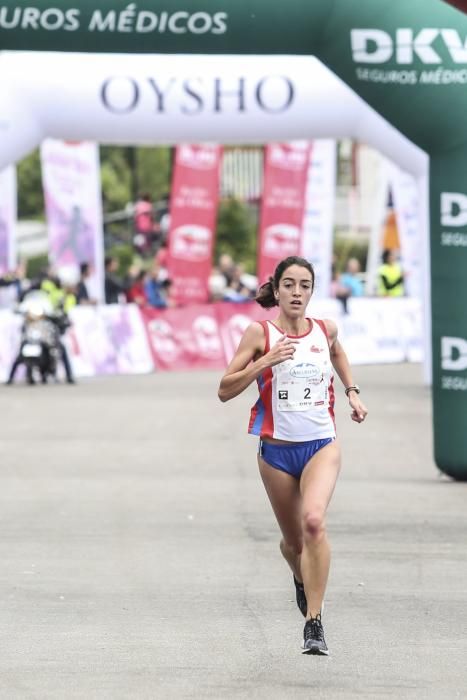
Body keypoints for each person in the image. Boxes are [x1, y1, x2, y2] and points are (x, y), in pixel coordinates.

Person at [218, 256, 368, 655]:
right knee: (294, 543)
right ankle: (300, 576)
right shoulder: (258, 333)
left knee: (314, 522)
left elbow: (337, 353)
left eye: (304, 285)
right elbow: (224, 389)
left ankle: (313, 622)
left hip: (322, 445)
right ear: (277, 289)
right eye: (289, 285)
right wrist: (264, 362)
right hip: (276, 455)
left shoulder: (324, 329)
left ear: (312, 291)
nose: (297, 292)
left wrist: (352, 391)